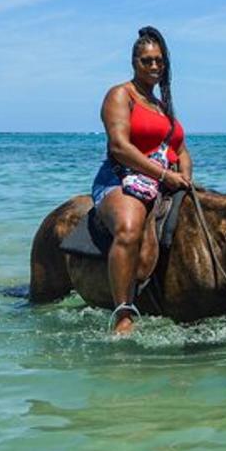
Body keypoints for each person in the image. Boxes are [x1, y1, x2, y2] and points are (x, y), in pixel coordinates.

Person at [90, 26, 193, 334]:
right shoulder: (121, 95)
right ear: (134, 62)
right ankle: (123, 313)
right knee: (130, 228)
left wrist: (184, 178)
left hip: (164, 181)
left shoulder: (162, 107)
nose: (154, 66)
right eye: (147, 60)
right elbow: (120, 147)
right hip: (120, 179)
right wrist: (164, 174)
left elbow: (182, 150)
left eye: (159, 61)